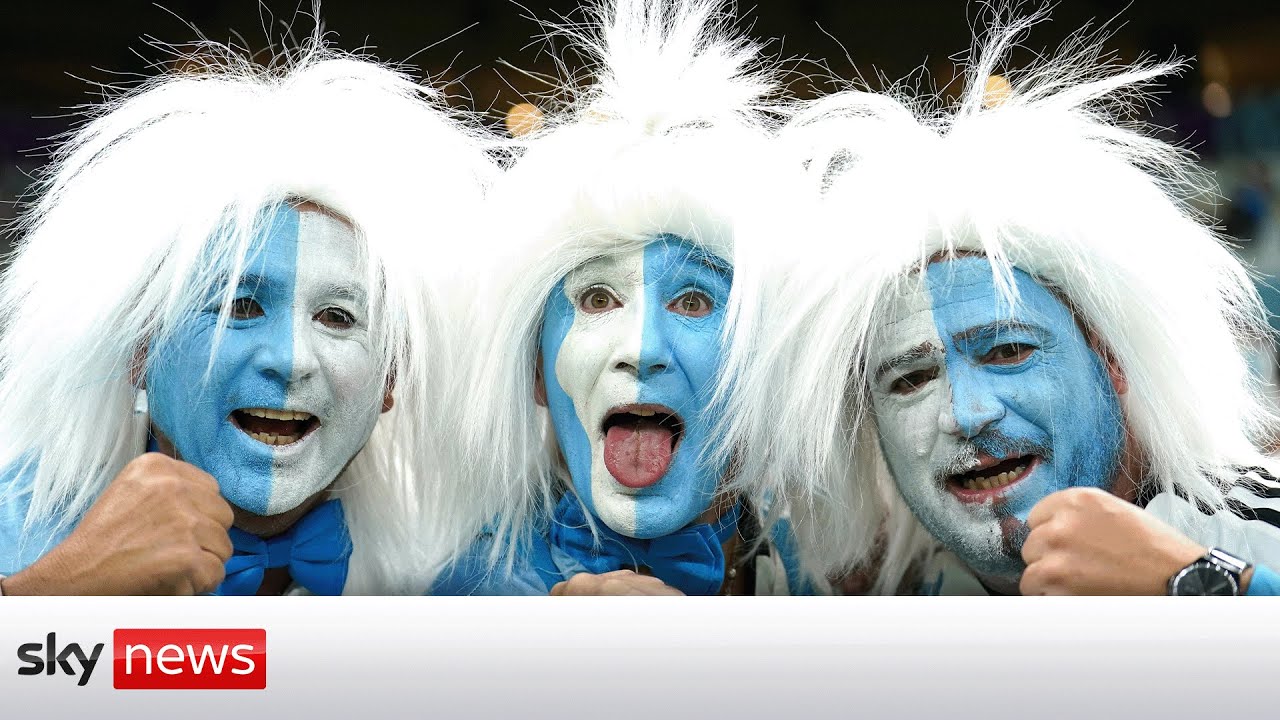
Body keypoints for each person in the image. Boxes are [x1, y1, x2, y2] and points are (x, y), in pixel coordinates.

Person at [732, 10, 1280, 595]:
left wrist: (1196, 585)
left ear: (1111, 359)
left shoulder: (1253, 532)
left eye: (1008, 350)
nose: (965, 414)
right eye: (911, 380)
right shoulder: (875, 600)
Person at [0, 35, 495, 595]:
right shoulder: (13, 529)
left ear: (390, 378)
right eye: (240, 306)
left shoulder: (443, 580)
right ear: (142, 350)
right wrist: (55, 591)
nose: (290, 361)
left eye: (337, 317)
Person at [432, 0, 819, 596]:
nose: (640, 352)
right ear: (538, 369)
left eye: (693, 302)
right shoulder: (476, 606)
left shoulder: (794, 568)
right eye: (595, 300)